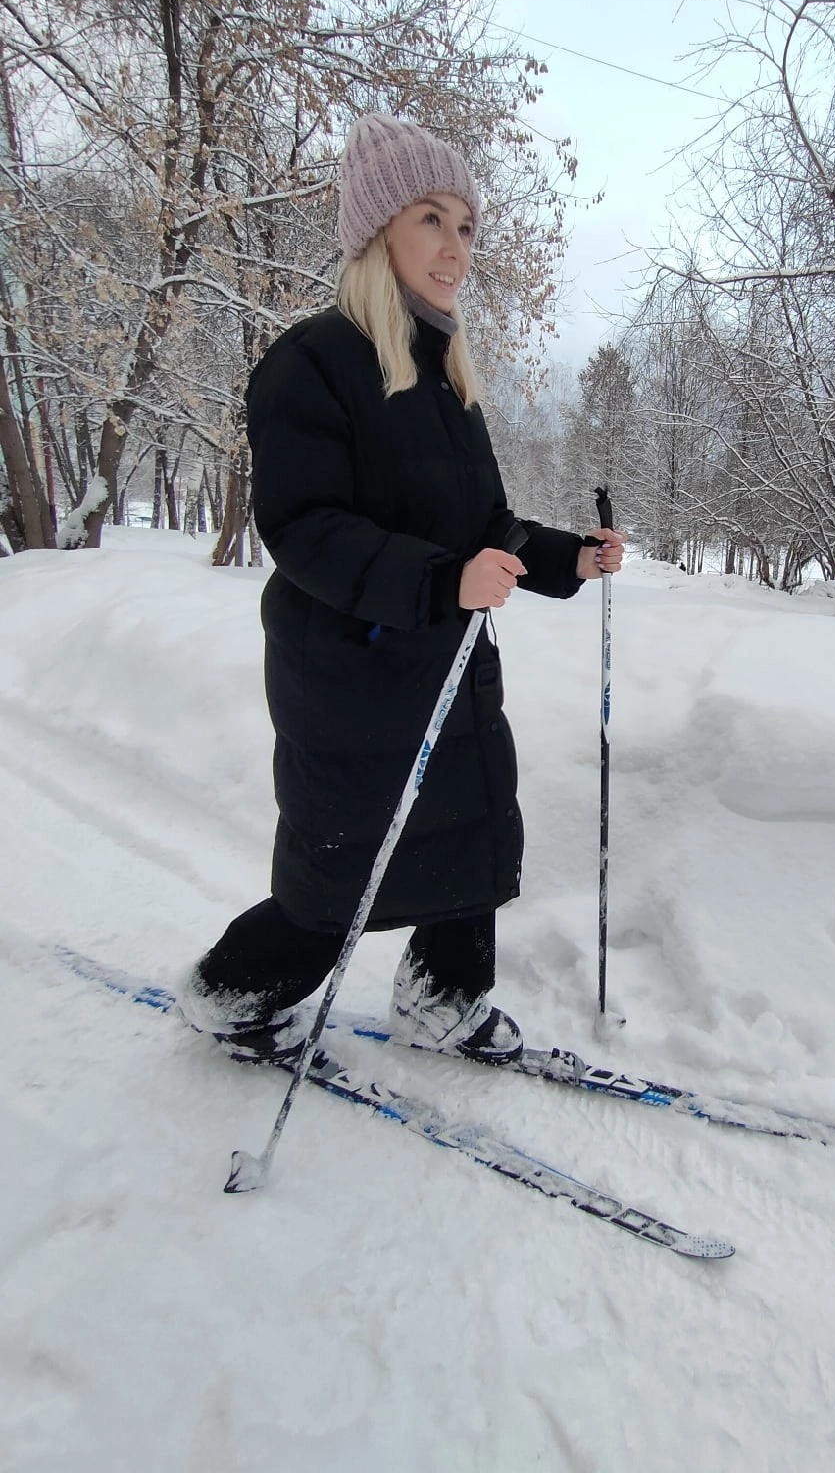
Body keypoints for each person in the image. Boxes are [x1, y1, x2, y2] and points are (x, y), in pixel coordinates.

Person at [177, 113, 624, 1066]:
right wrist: (438, 581)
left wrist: (563, 558)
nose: (456, 247)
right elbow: (305, 528)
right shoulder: (312, 364)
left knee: (467, 843)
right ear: (380, 230)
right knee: (345, 867)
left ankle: (442, 1003)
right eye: (432, 218)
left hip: (446, 662)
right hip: (352, 671)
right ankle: (230, 991)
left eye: (466, 225)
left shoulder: (445, 378)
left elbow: (485, 526)